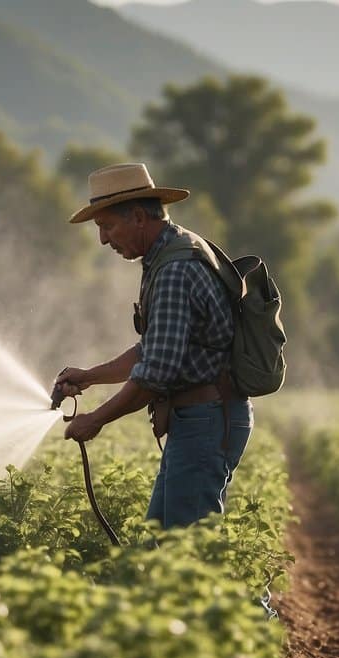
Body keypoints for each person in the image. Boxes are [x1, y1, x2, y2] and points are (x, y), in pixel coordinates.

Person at [55, 163, 253, 529]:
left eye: (107, 226)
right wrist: (90, 377)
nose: (102, 239)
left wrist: (95, 420)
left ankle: (254, 593)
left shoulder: (174, 271)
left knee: (186, 554)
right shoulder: (170, 255)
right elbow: (152, 350)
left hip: (205, 421)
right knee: (162, 546)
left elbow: (156, 375)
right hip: (203, 418)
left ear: (138, 218)